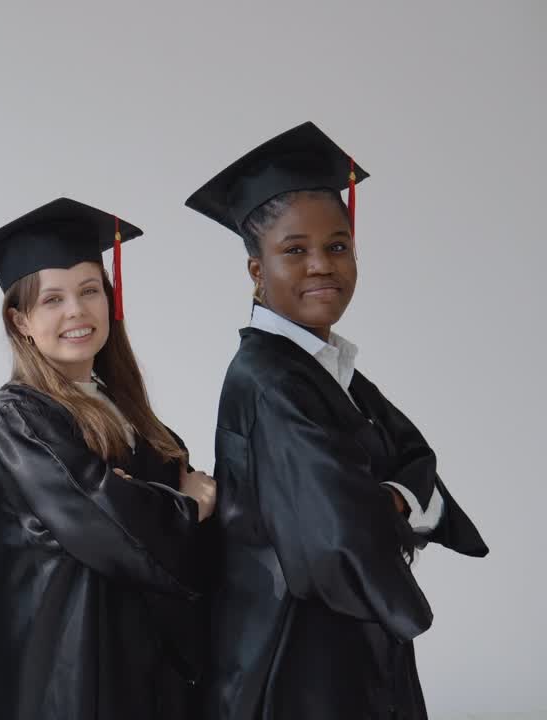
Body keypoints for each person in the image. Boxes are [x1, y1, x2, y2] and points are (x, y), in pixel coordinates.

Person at [186, 121, 489, 720]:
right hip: (294, 657)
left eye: (338, 246)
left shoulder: (327, 369)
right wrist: (398, 504)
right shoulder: (270, 379)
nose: (322, 265)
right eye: (294, 250)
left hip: (340, 642)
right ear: (255, 270)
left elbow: (416, 460)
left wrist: (386, 498)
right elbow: (335, 536)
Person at [0, 196, 217, 719]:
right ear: (20, 320)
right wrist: (187, 506)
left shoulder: (133, 414)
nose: (77, 311)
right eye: (52, 300)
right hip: (67, 666)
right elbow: (101, 516)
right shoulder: (17, 415)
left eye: (90, 291)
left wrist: (147, 497)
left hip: (148, 663)